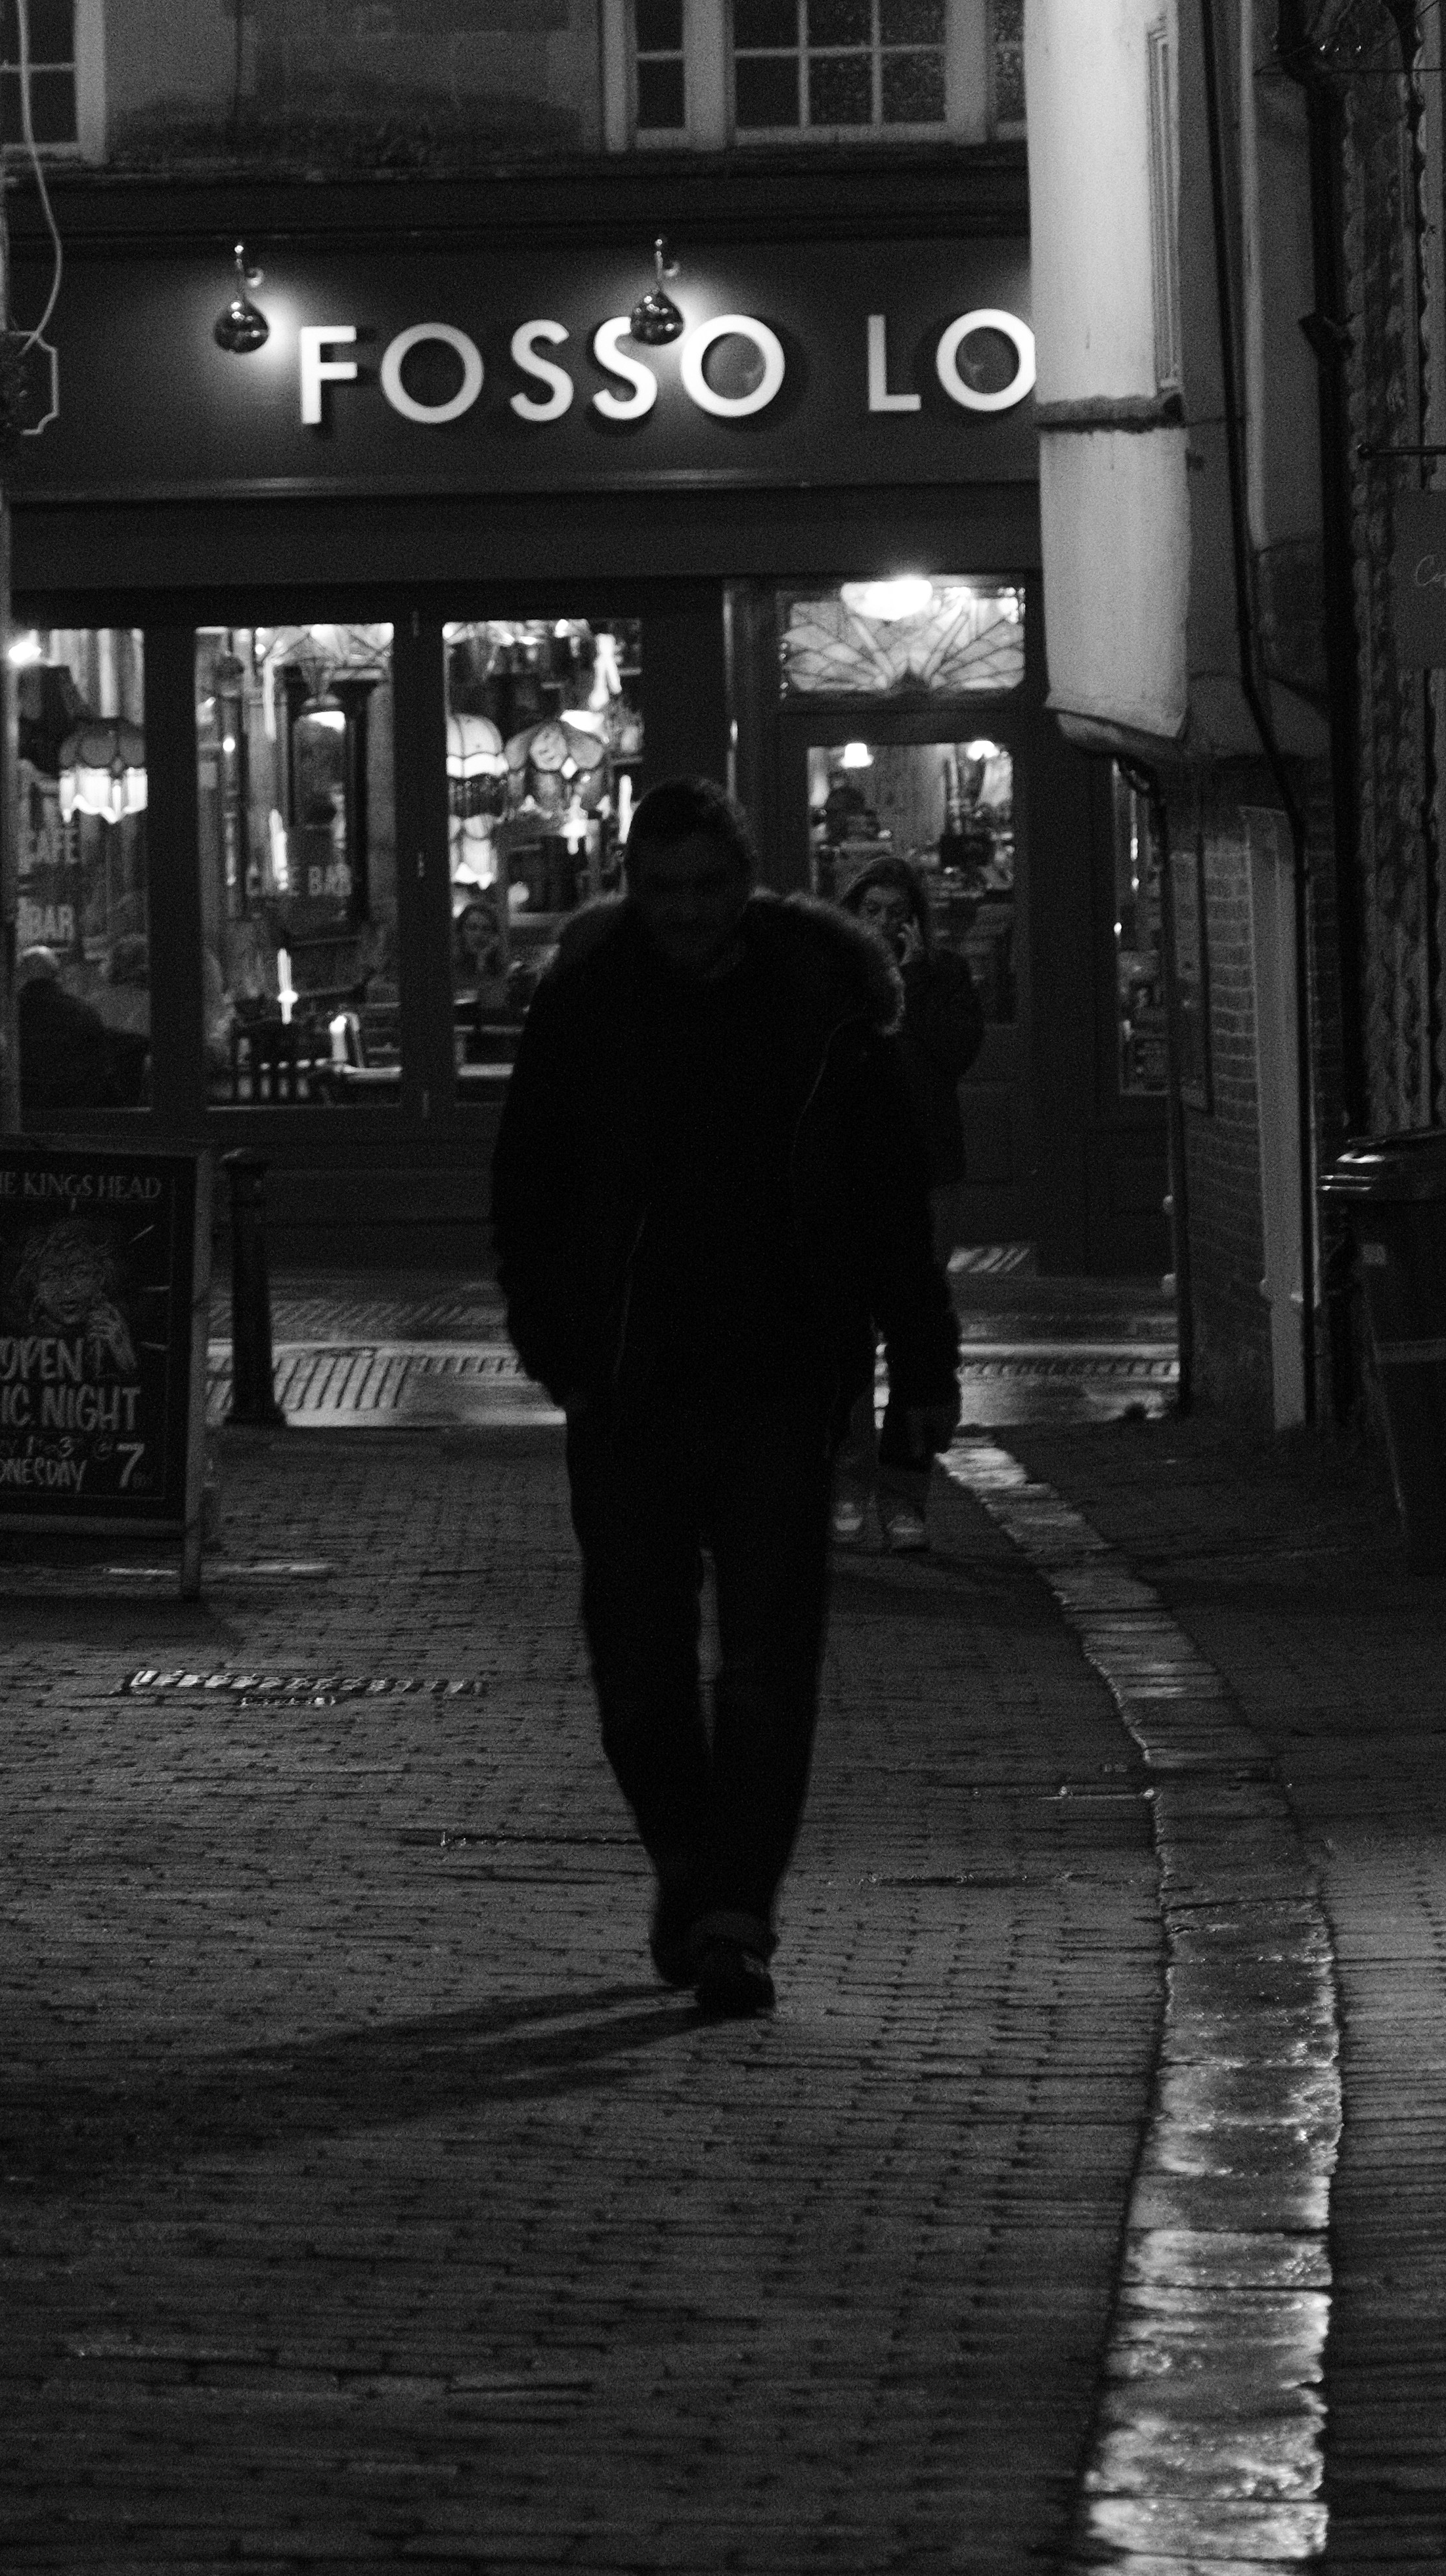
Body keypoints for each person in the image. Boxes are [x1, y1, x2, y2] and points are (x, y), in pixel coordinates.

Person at [492, 777, 960, 2021]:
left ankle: (733, 1916)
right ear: (634, 892)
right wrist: (560, 1348)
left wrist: (920, 1369)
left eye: (706, 890)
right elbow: (526, 1188)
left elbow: (887, 1208)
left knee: (765, 1664)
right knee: (637, 1674)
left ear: (742, 886)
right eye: (662, 894)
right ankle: (690, 1862)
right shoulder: (589, 1010)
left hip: (776, 1385)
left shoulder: (819, 1013)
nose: (686, 916)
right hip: (631, 1388)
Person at [835, 854, 986, 1552]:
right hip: (849, 1180)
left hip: (926, 1177)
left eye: (899, 913)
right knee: (843, 1337)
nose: (885, 923)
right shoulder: (833, 977)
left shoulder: (945, 977)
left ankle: (905, 1497)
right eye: (873, 910)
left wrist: (915, 977)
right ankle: (847, 1482)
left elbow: (954, 1053)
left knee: (914, 1336)